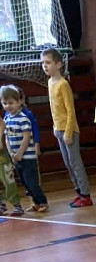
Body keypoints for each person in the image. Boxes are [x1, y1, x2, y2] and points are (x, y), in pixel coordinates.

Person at [41, 48, 92, 207]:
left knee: (75, 163)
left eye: (48, 62)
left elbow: (70, 110)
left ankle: (86, 195)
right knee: (68, 164)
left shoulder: (63, 84)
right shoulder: (50, 82)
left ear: (59, 64)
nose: (45, 66)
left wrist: (68, 132)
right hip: (58, 130)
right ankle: (78, 192)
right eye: (43, 63)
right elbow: (54, 108)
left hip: (69, 130)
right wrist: (55, 128)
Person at [1, 84, 47, 212]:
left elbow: (27, 137)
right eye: (4, 103)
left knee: (31, 181)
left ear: (19, 102)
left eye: (11, 103)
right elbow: (7, 137)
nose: (8, 106)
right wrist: (11, 153)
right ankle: (36, 203)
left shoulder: (23, 118)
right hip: (16, 157)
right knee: (25, 183)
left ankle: (42, 202)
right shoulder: (7, 118)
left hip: (27, 157)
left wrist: (20, 153)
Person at [0, 138, 21, 216]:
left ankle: (16, 205)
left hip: (2, 159)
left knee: (9, 182)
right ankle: (1, 204)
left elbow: (1, 146)